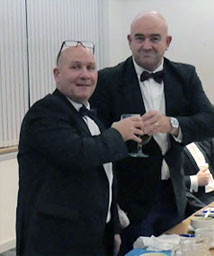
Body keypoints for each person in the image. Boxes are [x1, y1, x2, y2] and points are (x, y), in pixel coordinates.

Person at [90, 11, 214, 254]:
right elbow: (98, 141)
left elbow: (210, 123)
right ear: (129, 41)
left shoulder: (185, 75)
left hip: (174, 195)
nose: (146, 45)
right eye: (140, 38)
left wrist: (172, 124)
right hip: (129, 200)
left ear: (167, 42)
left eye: (154, 38)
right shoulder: (107, 80)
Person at [16, 41, 143, 255]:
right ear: (57, 74)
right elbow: (81, 154)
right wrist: (118, 133)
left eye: (91, 68)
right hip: (55, 241)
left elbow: (106, 175)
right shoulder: (44, 113)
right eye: (76, 67)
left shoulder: (90, 115)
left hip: (94, 235)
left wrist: (112, 228)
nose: (85, 75)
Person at [182, 142, 214, 216]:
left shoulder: (197, 143)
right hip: (198, 202)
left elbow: (207, 169)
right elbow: (171, 181)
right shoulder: (173, 146)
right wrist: (195, 180)